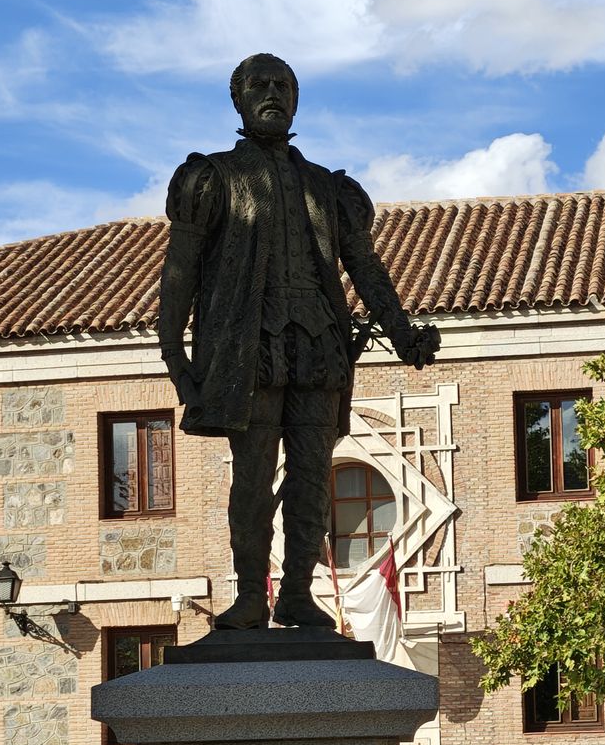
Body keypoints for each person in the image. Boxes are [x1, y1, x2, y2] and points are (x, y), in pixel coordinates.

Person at [157, 53, 439, 630]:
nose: (273, 94)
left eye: (283, 86)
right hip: (248, 350)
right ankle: (249, 596)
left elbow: (365, 268)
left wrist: (403, 333)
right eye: (260, 85)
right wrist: (174, 354)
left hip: (318, 349)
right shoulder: (210, 179)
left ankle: (297, 595)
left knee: (313, 478)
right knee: (253, 478)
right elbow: (179, 271)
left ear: (296, 99)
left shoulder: (330, 188)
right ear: (238, 99)